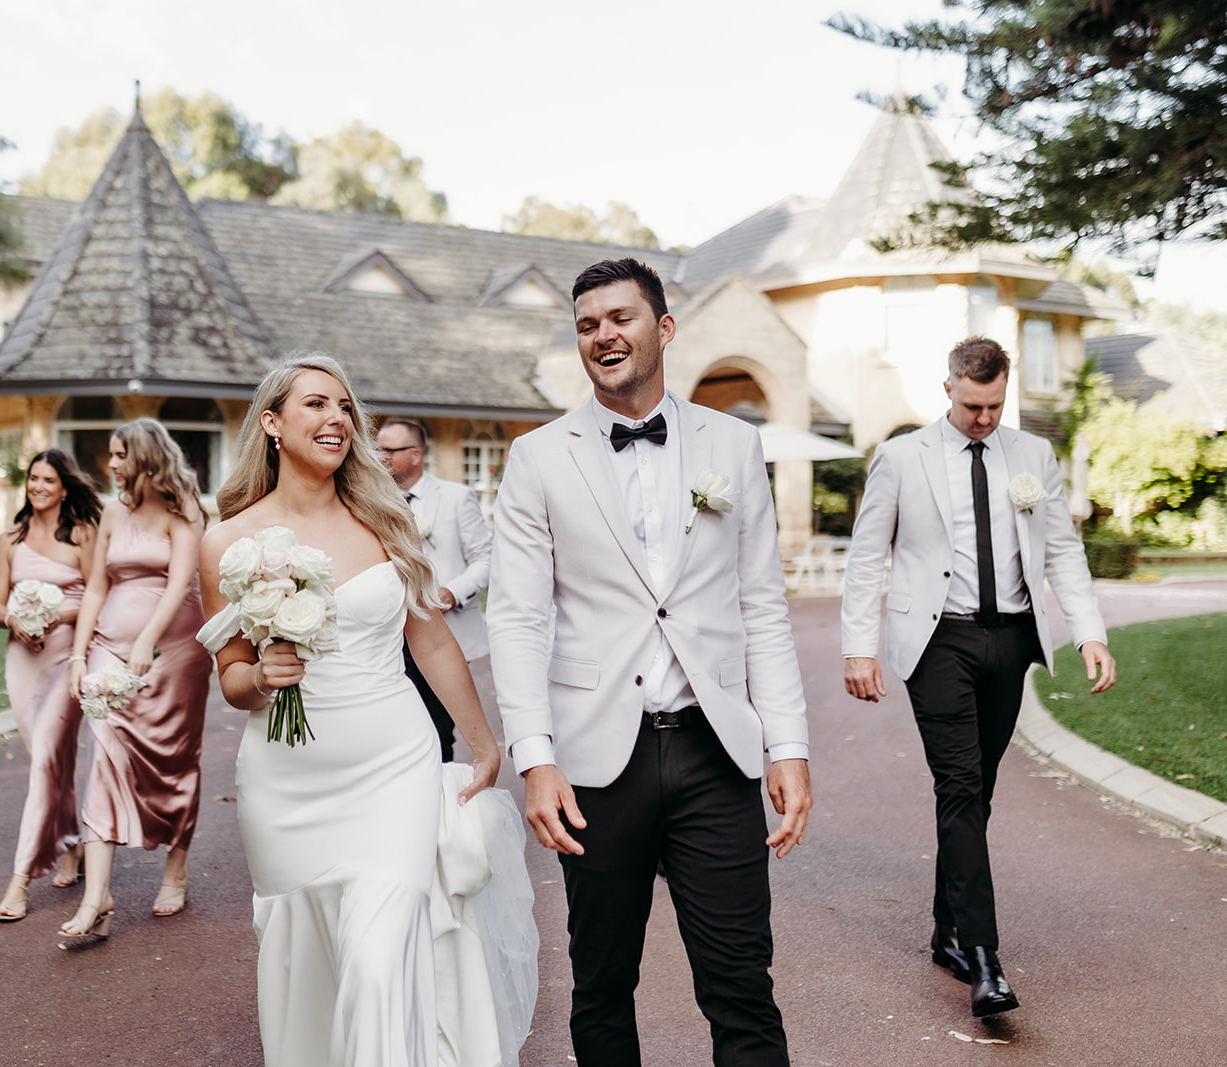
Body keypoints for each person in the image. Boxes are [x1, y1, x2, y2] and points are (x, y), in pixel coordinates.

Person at [488, 258, 812, 1066]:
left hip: (715, 752)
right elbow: (519, 618)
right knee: (601, 985)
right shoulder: (537, 457)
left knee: (742, 984)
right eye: (588, 324)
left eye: (620, 318)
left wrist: (789, 745)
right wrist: (536, 758)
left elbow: (761, 604)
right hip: (597, 763)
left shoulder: (735, 446)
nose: (604, 335)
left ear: (663, 329)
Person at [197, 354, 533, 1067]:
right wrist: (262, 674)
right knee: (310, 968)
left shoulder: (382, 519)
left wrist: (482, 741)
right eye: (316, 404)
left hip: (394, 766)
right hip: (287, 785)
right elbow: (229, 679)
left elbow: (433, 638)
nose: (337, 419)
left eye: (346, 407)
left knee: (379, 964)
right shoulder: (225, 543)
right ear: (273, 424)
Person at [841, 336, 1117, 1017]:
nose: (984, 418)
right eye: (972, 405)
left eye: (994, 405)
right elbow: (866, 550)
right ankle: (984, 958)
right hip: (938, 639)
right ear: (948, 389)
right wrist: (859, 647)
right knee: (960, 786)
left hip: (1011, 640)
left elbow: (1060, 548)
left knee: (976, 793)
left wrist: (1089, 631)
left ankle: (946, 932)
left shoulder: (1034, 455)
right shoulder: (902, 457)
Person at [61, 418, 212, 938]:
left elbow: (179, 583)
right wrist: (79, 657)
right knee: (104, 758)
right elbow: (96, 588)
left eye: (120, 454)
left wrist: (148, 638)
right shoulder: (110, 511)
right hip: (109, 646)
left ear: (146, 457)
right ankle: (97, 895)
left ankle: (176, 867)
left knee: (175, 758)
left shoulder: (183, 508)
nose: (113, 464)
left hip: (172, 650)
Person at [0, 449, 103, 921]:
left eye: (47, 480)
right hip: (23, 662)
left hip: (67, 660)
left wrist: (55, 613)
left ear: (64, 486)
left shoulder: (83, 535)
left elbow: (100, 595)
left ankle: (20, 880)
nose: (38, 486)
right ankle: (70, 843)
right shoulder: (9, 540)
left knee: (47, 763)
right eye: (33, 479)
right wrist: (17, 619)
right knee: (48, 761)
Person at [377, 417, 494, 761]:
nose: (380, 457)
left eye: (388, 450)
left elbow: (487, 560)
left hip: (444, 634)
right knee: (397, 734)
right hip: (388, 638)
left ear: (415, 455)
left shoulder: (457, 498)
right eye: (378, 449)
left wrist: (452, 592)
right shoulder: (372, 501)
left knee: (438, 731)